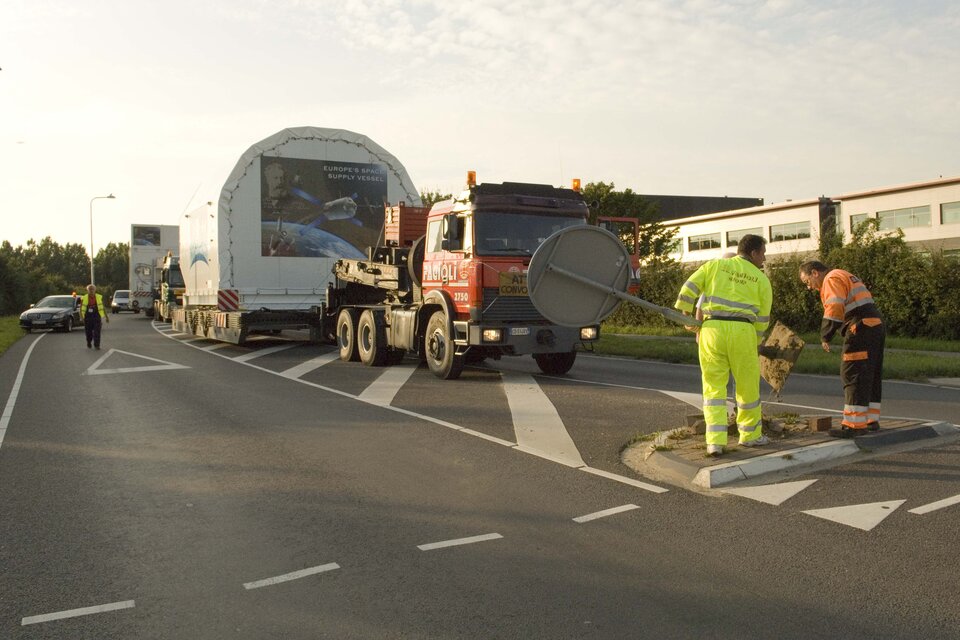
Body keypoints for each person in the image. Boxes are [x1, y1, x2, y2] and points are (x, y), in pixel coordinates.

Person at [675, 235, 772, 455]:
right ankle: (750, 436)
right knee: (747, 386)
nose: (764, 259)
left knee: (713, 387)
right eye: (763, 253)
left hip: (712, 330)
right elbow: (763, 319)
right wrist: (754, 341)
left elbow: (689, 286)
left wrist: (685, 312)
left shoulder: (715, 265)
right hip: (743, 331)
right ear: (754, 253)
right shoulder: (761, 279)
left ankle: (715, 442)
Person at [799, 260, 884, 438]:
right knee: (870, 373)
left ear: (815, 273)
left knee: (852, 372)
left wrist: (826, 335)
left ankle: (854, 425)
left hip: (860, 327)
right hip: (875, 325)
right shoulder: (843, 274)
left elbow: (834, 306)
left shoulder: (831, 278)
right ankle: (870, 420)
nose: (809, 287)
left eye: (807, 282)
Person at [80, 284, 109, 350]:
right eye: (90, 289)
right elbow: (81, 309)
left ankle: (97, 345)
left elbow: (103, 307)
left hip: (96, 316)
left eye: (92, 289)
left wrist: (107, 317)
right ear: (87, 290)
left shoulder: (99, 297)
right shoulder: (84, 298)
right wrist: (82, 317)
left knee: (97, 331)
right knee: (88, 332)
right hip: (88, 317)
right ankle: (89, 342)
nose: (91, 291)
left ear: (95, 290)